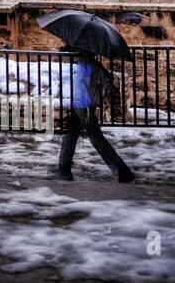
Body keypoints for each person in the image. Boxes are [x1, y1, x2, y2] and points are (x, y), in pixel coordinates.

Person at [55, 49, 135, 183]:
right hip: (79, 106)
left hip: (83, 106)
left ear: (81, 52)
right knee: (70, 136)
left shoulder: (87, 66)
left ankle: (124, 173)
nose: (71, 55)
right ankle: (64, 171)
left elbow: (83, 89)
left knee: (96, 139)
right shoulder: (86, 64)